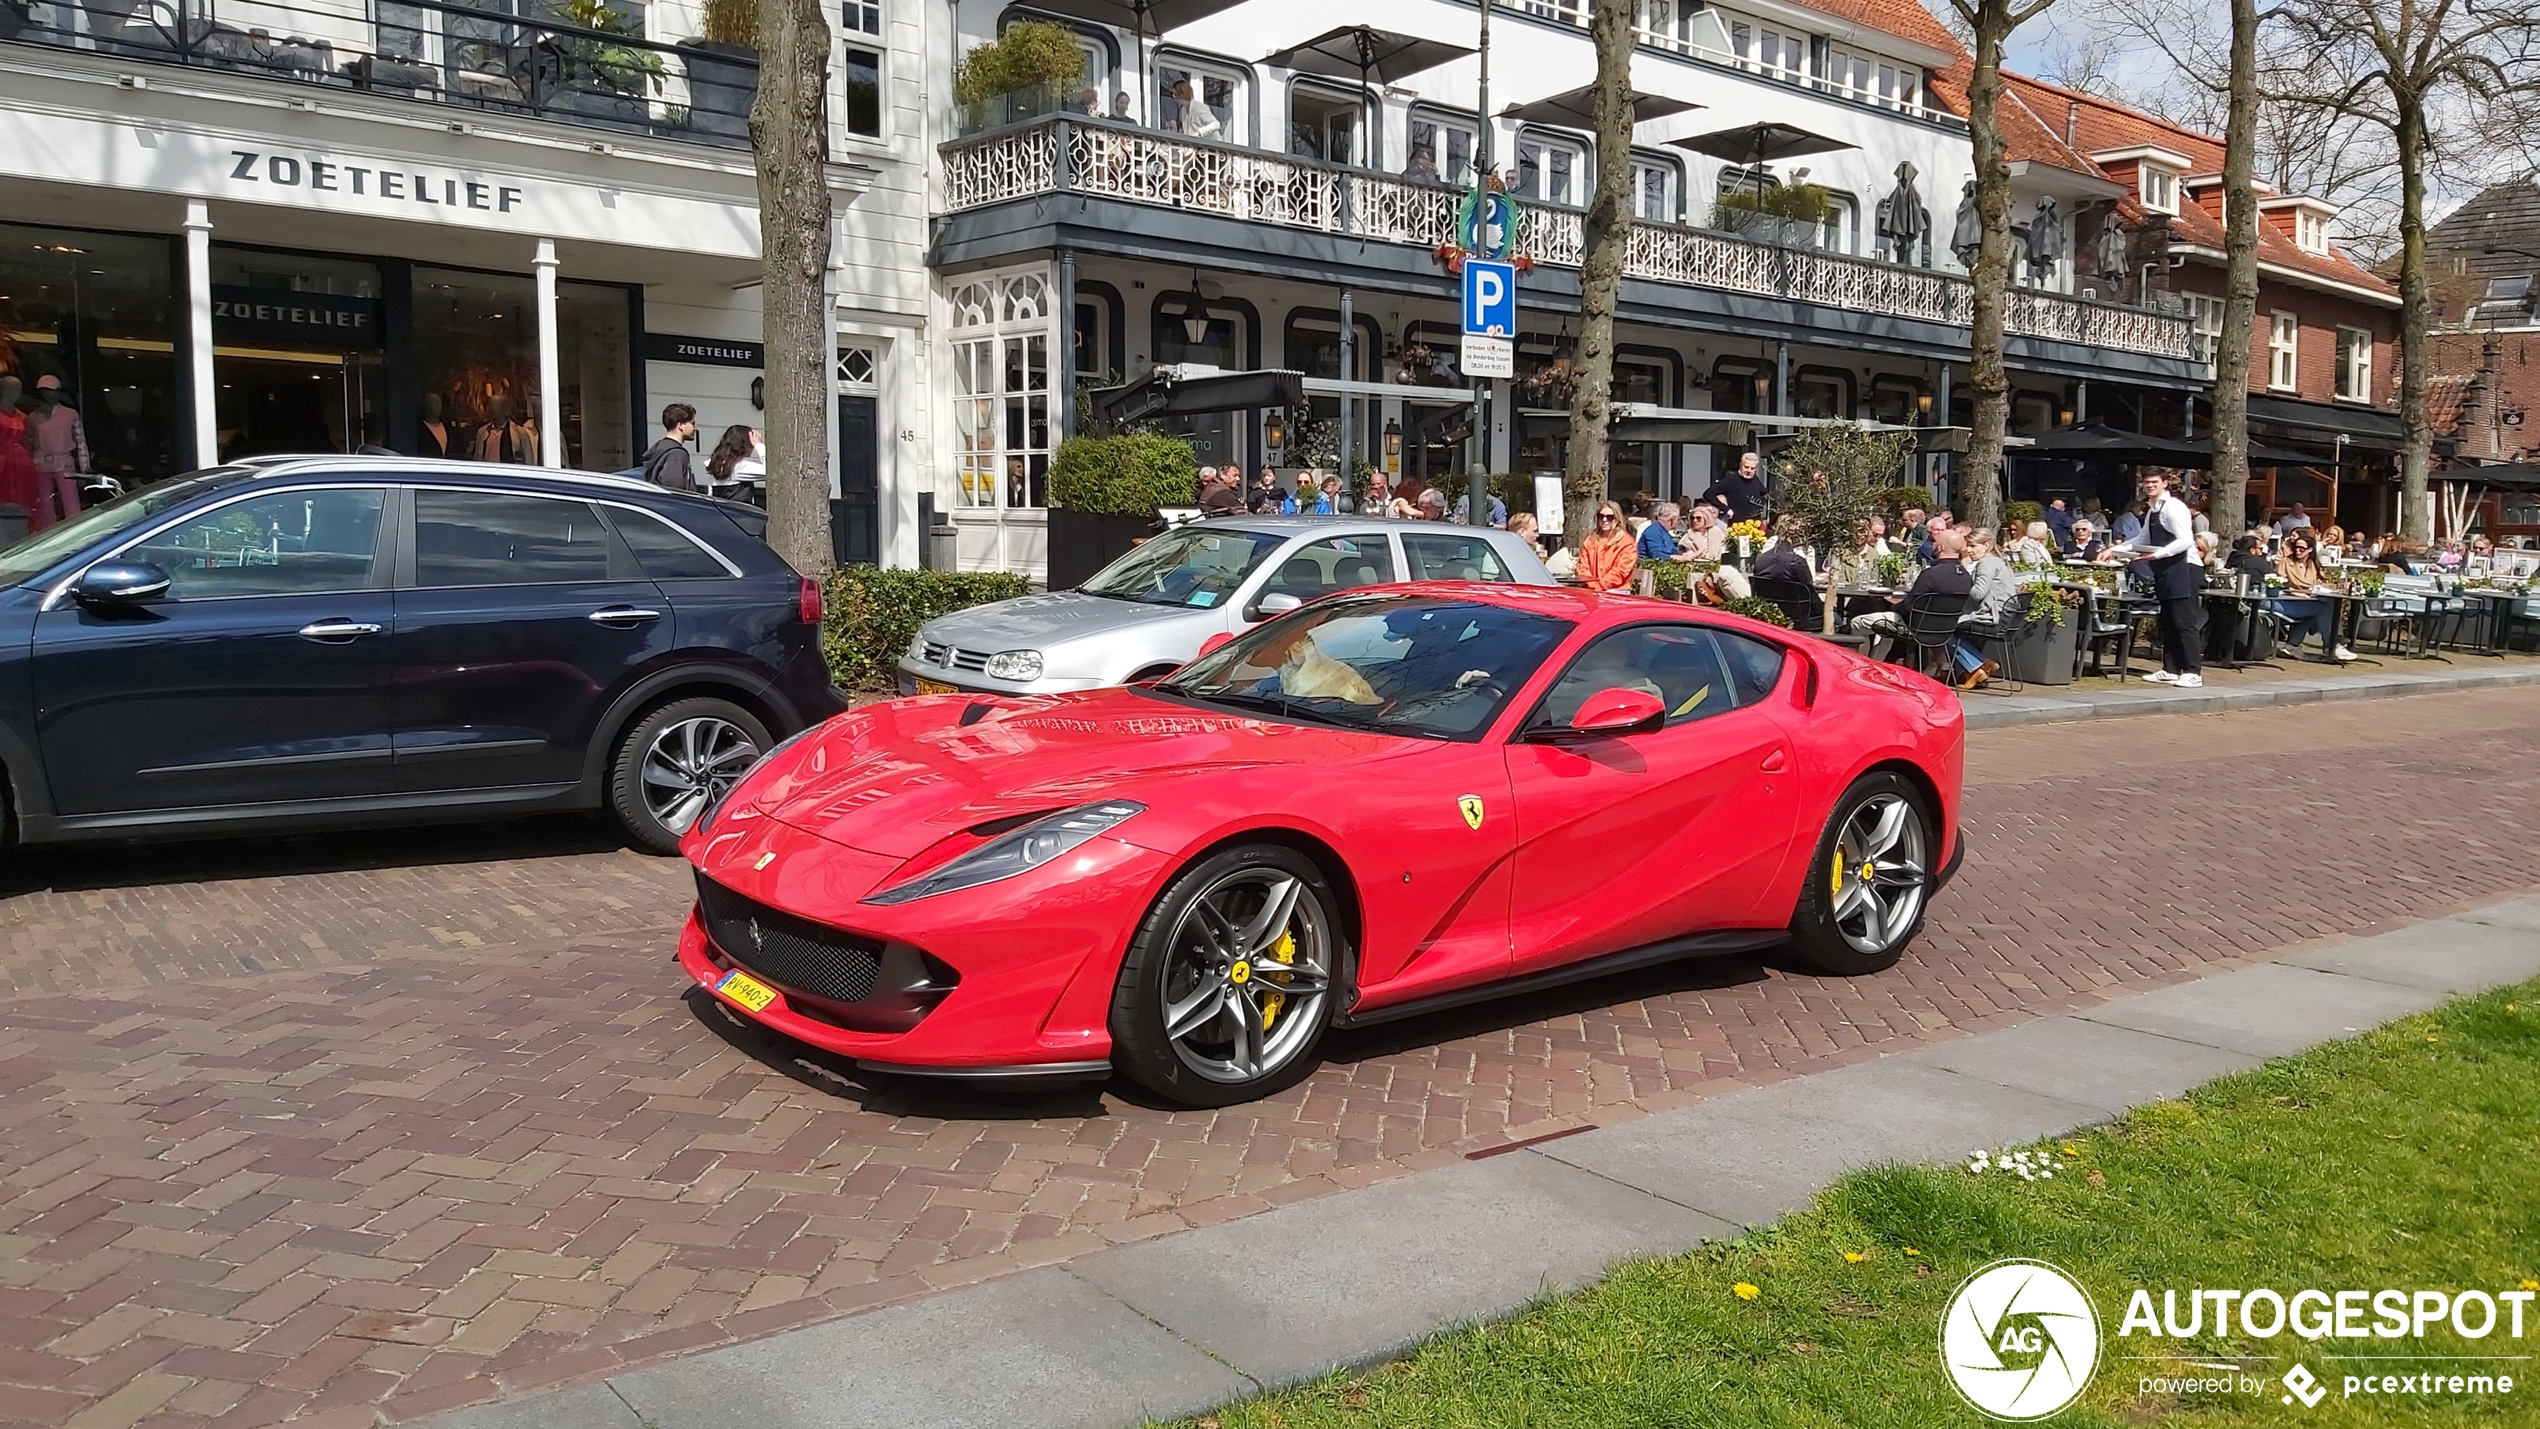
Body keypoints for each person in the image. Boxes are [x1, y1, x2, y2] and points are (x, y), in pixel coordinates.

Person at [2113, 469, 2204, 687]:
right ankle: (2170, 669)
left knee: (2184, 622)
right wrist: (2118, 550)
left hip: (2185, 567)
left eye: (2154, 482)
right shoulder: (2153, 508)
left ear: (2165, 484)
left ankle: (2193, 672)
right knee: (2169, 621)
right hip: (2166, 568)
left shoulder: (2173, 507)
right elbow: (2144, 537)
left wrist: (2156, 554)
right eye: (2146, 482)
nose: (2150, 485)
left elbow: (2185, 540)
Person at [1850, 528, 1974, 662]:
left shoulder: (1931, 574)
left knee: (1857, 623)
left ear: (1941, 547)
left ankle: (1859, 663)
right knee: (1886, 627)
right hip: (1943, 631)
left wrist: (1892, 607)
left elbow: (1909, 606)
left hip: (1915, 627)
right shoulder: (1966, 577)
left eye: (1934, 542)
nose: (1932, 545)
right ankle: (1876, 664)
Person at [2273, 529, 2356, 662]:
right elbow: (2279, 582)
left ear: (2310, 550)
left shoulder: (2313, 565)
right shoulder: (2286, 563)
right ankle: (2333, 644)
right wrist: (2293, 591)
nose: (2298, 550)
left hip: (2308, 599)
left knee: (2327, 605)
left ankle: (2294, 645)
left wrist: (2335, 587)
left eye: (2302, 548)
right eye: (2296, 547)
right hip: (2289, 600)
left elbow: (2321, 582)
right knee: (2322, 609)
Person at [1954, 527, 2016, 688]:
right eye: (1967, 545)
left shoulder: (1986, 563)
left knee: (1942, 629)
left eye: (1973, 546)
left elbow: (1977, 594)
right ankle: (1972, 671)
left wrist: (1961, 581)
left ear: (1986, 545)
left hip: (1991, 616)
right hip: (2005, 616)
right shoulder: (1999, 561)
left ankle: (1979, 665)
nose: (1968, 550)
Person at [25, 374, 88, 527]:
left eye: (51, 390)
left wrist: (84, 466)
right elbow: (28, 442)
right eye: (44, 390)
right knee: (45, 503)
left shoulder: (70, 414)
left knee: (70, 501)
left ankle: (75, 530)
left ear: (58, 391)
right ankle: (47, 533)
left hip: (63, 462)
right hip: (40, 462)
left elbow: (80, 441)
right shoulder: (32, 417)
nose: (48, 394)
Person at [0, 376, 38, 528]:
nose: (16, 393)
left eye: (18, 389)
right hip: (3, 461)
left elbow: (31, 441)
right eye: (12, 388)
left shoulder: (23, 417)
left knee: (23, 500)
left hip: (21, 463)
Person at [1575, 501, 1637, 591]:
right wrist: (1592, 585)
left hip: (1616, 589)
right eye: (1601, 516)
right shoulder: (1590, 540)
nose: (1604, 520)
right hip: (1591, 589)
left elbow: (1620, 572)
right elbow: (1583, 567)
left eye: (1609, 517)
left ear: (1617, 519)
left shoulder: (1627, 542)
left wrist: (1599, 586)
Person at [641, 403, 698, 491]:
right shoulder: (677, 454)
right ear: (681, 425)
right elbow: (675, 490)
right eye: (692, 423)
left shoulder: (660, 449)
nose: (695, 428)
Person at [1752, 515, 1814, 585]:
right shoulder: (1797, 561)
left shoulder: (1760, 559)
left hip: (1766, 594)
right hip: (1792, 593)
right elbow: (1809, 585)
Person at [703, 424, 760, 499]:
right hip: (740, 510)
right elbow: (771, 471)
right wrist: (759, 445)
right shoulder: (740, 467)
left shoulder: (714, 463)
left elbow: (710, 493)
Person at [1712, 450, 1769, 522]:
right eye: (1746, 467)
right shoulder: (1731, 480)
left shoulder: (1755, 479)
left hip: (1753, 524)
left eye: (1752, 468)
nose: (1749, 470)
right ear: (1741, 465)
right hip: (1736, 525)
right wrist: (1726, 509)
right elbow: (1709, 494)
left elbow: (1765, 494)